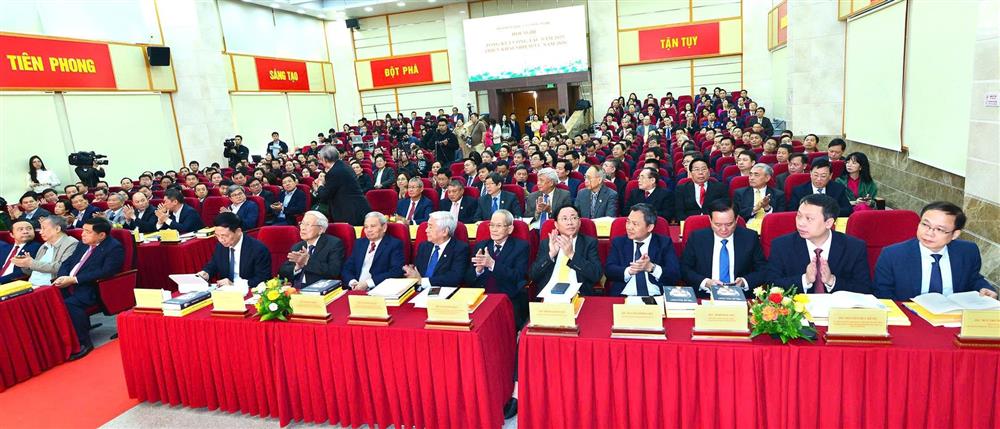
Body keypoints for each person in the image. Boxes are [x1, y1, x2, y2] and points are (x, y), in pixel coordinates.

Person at [874, 201, 994, 300]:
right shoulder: (893, 255)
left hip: (954, 315)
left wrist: (985, 289)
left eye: (940, 229)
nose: (929, 233)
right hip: (911, 316)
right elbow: (883, 294)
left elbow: (973, 278)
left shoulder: (967, 251)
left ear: (955, 234)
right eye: (925, 225)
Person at [765, 194, 871, 294]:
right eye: (799, 216)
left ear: (828, 223)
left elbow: (864, 289)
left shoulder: (854, 247)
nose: (800, 223)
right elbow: (771, 285)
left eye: (809, 218)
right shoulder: (781, 245)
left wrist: (832, 281)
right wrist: (805, 280)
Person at [54, 217, 124, 360]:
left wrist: (74, 279)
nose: (82, 234)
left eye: (87, 232)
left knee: (70, 304)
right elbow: (67, 262)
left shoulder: (113, 247)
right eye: (83, 230)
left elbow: (106, 271)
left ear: (101, 235)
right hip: (69, 283)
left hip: (94, 287)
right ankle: (62, 341)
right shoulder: (83, 244)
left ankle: (84, 342)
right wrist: (62, 277)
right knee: (50, 299)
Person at [681, 200, 768, 298]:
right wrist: (705, 282)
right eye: (717, 224)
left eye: (729, 224)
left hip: (740, 296)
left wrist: (744, 282)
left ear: (736, 219)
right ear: (710, 220)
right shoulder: (697, 238)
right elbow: (685, 269)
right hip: (705, 296)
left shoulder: (750, 238)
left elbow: (763, 269)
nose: (723, 229)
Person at [467, 209, 530, 329]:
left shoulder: (521, 246)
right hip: (481, 297)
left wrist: (492, 265)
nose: (494, 229)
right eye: (491, 225)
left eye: (499, 226)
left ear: (510, 229)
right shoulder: (481, 245)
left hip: (507, 296)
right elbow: (468, 278)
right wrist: (478, 270)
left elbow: (518, 276)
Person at [605, 204, 680, 296]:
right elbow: (609, 270)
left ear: (649, 227)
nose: (629, 227)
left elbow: (674, 274)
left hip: (655, 296)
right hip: (624, 295)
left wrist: (652, 268)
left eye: (635, 224)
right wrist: (629, 271)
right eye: (628, 222)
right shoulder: (619, 242)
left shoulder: (663, 243)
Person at [529, 205, 602, 296]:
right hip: (549, 295)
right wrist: (551, 255)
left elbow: (596, 275)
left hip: (578, 294)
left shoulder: (589, 243)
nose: (570, 223)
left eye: (574, 218)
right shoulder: (547, 243)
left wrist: (571, 254)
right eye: (564, 219)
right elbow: (533, 275)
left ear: (579, 222)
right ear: (556, 224)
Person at [196, 212, 271, 287]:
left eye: (224, 235)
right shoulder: (221, 246)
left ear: (238, 232)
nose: (221, 240)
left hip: (247, 289)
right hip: (225, 290)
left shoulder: (258, 249)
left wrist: (235, 284)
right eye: (217, 236)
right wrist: (206, 273)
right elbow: (214, 264)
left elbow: (263, 278)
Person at [403, 211, 469, 288]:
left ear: (445, 231)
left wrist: (422, 281)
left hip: (443, 291)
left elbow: (454, 278)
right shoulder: (424, 246)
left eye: (430, 227)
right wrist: (411, 271)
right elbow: (418, 271)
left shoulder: (460, 248)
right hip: (419, 289)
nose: (426, 230)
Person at [277, 211, 344, 287]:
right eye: (302, 223)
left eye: (308, 225)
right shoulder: (298, 246)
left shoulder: (333, 244)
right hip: (295, 289)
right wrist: (298, 267)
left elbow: (333, 272)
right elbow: (282, 272)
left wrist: (307, 261)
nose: (303, 228)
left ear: (321, 229)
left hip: (318, 289)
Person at [342, 212, 405, 291]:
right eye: (366, 227)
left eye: (373, 226)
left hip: (379, 289)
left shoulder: (394, 244)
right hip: (355, 288)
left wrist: (368, 284)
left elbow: (396, 272)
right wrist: (352, 282)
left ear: (384, 227)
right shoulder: (359, 243)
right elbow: (347, 268)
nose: (369, 230)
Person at [14, 216, 79, 287]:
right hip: (31, 284)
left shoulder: (71, 243)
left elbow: (61, 267)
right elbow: (33, 271)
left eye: (43, 228)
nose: (40, 232)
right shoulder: (44, 245)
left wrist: (31, 263)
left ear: (57, 229)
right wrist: (25, 265)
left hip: (49, 287)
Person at [314, 146, 371, 226]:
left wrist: (320, 184)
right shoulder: (345, 166)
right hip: (358, 208)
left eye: (321, 159)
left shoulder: (333, 172)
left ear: (325, 159)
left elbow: (325, 195)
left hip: (350, 213)